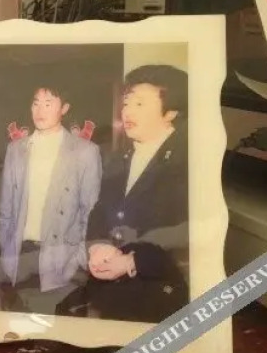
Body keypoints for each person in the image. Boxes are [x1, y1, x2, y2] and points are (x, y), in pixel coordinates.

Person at [64, 64, 189, 322]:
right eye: (126, 103)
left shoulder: (188, 160)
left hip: (161, 294)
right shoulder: (121, 156)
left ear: (171, 112)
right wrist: (98, 246)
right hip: (114, 291)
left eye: (140, 104)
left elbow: (191, 232)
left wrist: (133, 261)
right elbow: (101, 209)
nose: (127, 112)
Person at [0, 84, 102, 315]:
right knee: (21, 325)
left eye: (48, 104)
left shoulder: (85, 151)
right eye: (36, 103)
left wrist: (80, 259)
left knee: (61, 330)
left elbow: (91, 211)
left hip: (63, 258)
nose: (40, 110)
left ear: (64, 108)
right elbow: (6, 209)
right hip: (22, 255)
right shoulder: (16, 149)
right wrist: (7, 252)